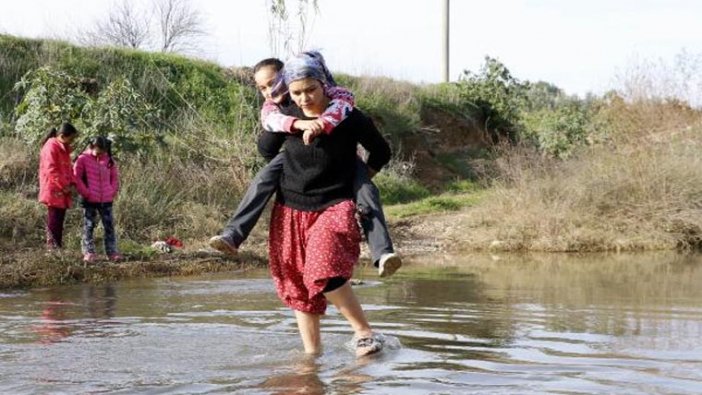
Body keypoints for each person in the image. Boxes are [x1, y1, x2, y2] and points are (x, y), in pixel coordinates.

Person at [209, 54, 402, 277]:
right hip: (293, 165)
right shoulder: (277, 109)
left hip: (345, 161)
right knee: (264, 178)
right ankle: (233, 235)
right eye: (263, 88)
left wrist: (362, 174)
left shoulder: (340, 104)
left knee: (366, 191)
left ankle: (383, 253)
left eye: (273, 83)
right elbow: (267, 149)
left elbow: (374, 141)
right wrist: (296, 131)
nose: (270, 91)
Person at [257, 51, 391, 357]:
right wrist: (289, 122)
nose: (304, 99)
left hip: (334, 205)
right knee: (298, 286)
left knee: (324, 268)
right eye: (297, 92)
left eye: (311, 90)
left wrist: (357, 179)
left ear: (324, 85)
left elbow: (381, 151)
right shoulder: (287, 116)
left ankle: (364, 333)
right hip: (291, 209)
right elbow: (266, 150)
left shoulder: (347, 114)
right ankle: (311, 358)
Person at [73, 136, 123, 262]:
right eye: (98, 150)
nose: (101, 153)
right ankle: (89, 252)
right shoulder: (82, 159)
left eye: (103, 151)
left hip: (106, 198)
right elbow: (76, 178)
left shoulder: (109, 160)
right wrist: (86, 193)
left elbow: (114, 178)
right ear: (92, 146)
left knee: (109, 226)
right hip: (89, 199)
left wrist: (112, 191)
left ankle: (112, 252)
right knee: (89, 226)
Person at [38, 122, 79, 250]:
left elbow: (69, 168)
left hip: (62, 189)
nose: (72, 141)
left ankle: (57, 247)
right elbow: (51, 169)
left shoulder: (64, 148)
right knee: (54, 219)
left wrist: (72, 183)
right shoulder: (51, 147)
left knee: (59, 219)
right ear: (62, 135)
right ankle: (52, 248)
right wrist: (64, 185)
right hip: (54, 188)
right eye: (71, 138)